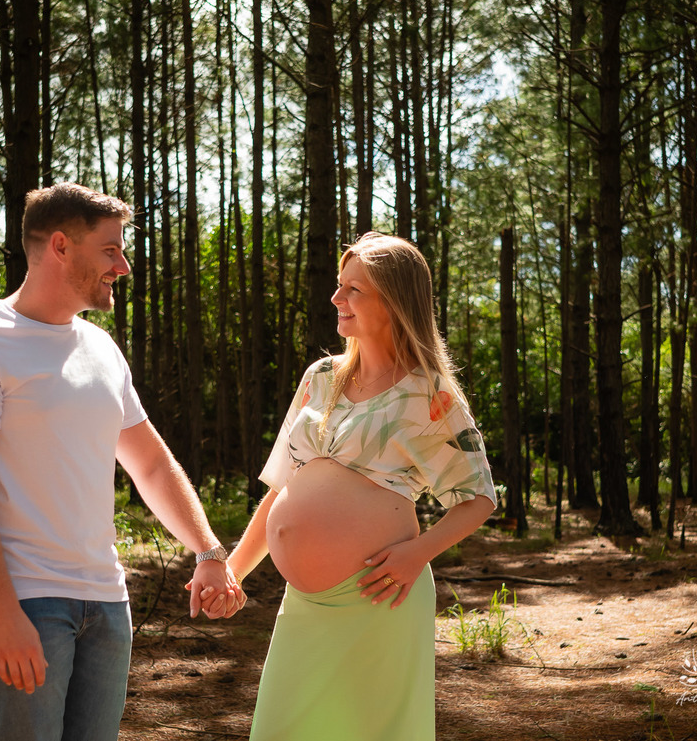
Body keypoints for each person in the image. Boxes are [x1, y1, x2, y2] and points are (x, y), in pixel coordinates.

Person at [0, 183, 245, 741]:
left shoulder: (101, 349)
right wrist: (2, 614)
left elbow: (149, 463)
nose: (123, 265)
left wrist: (209, 550)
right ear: (59, 246)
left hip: (105, 600)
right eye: (110, 250)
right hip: (20, 597)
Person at [212, 232, 497, 739]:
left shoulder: (428, 393)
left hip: (379, 599)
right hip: (305, 603)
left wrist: (418, 554)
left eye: (353, 290)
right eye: (339, 286)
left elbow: (477, 497)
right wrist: (233, 571)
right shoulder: (321, 378)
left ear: (393, 301)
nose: (336, 299)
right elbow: (283, 488)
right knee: (281, 729)